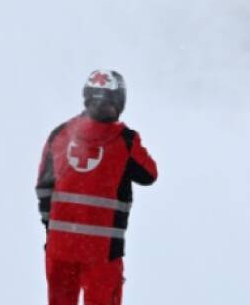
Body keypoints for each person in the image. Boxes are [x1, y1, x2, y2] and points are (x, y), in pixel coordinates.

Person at [36, 70, 158, 305]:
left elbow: (43, 187)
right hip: (102, 253)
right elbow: (149, 174)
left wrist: (52, 228)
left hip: (60, 248)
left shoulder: (60, 134)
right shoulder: (125, 141)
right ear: (120, 101)